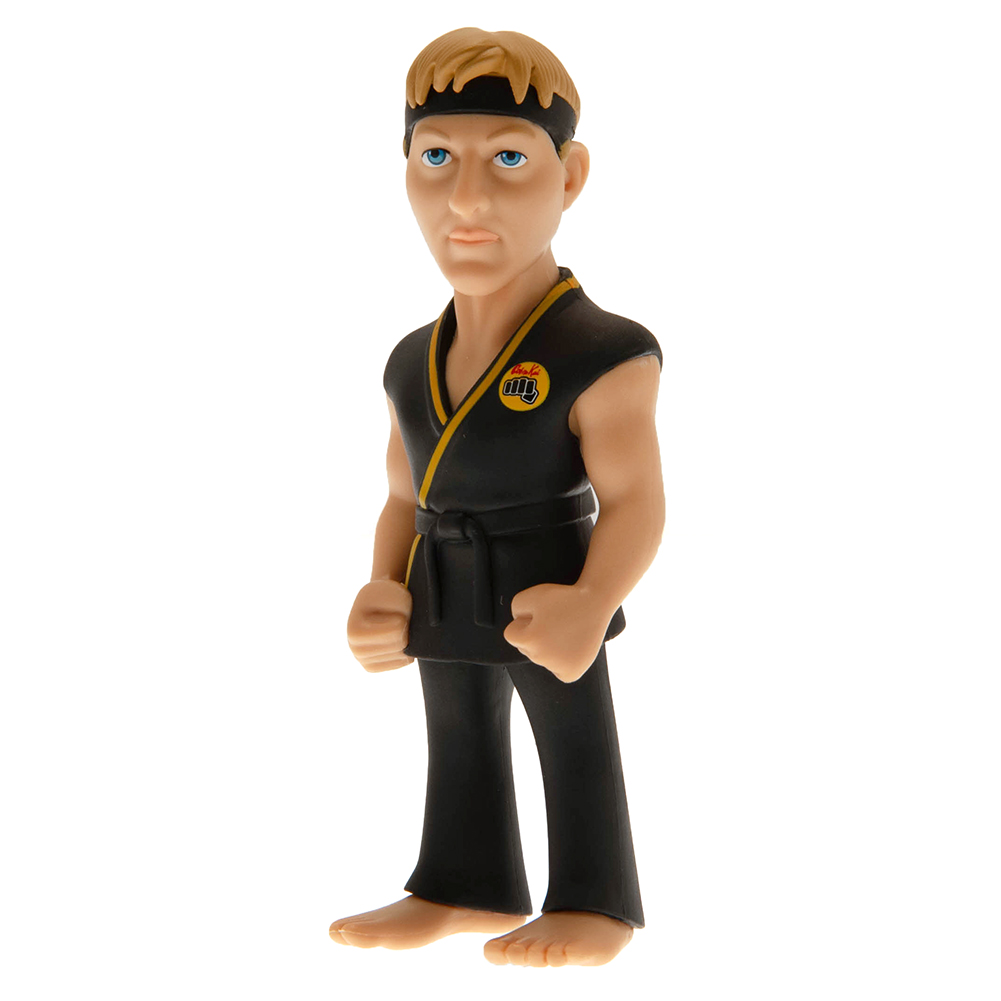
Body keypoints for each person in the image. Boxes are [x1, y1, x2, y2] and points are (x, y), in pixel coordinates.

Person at [329, 27, 664, 968]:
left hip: (549, 576)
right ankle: (462, 882)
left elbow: (636, 499)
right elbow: (403, 492)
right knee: (456, 731)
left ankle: (596, 900)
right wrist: (381, 584)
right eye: (436, 158)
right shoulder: (410, 359)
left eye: (509, 159)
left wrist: (591, 599)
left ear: (570, 176)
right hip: (439, 569)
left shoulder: (602, 349)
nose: (466, 200)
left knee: (573, 734)